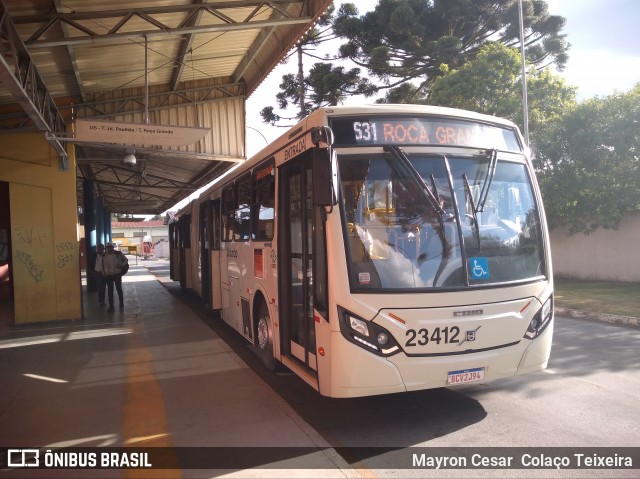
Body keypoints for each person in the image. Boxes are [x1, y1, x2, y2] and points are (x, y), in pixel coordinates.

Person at [96, 242, 128, 311]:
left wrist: (121, 265)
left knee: (118, 289)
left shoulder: (118, 253)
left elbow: (126, 260)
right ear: (107, 248)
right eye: (108, 247)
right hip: (109, 275)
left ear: (113, 247)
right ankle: (111, 306)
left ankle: (121, 303)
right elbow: (102, 265)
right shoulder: (104, 255)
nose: (110, 248)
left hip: (117, 274)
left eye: (111, 247)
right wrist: (104, 273)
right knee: (110, 291)